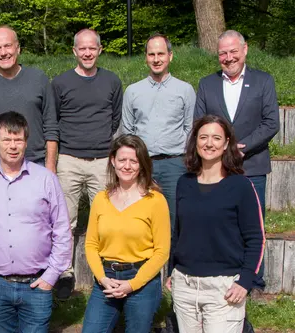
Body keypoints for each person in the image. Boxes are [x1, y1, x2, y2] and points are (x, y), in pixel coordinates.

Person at [0, 111, 72, 332]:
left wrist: (51, 275)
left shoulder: (46, 179)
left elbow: (62, 230)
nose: (12, 146)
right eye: (6, 139)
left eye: (18, 139)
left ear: (25, 142)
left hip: (37, 284)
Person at [194, 30, 279, 296]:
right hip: (216, 169)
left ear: (245, 50)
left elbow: (271, 123)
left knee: (253, 225)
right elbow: (199, 123)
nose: (228, 58)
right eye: (223, 53)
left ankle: (254, 281)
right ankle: (223, 274)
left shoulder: (263, 81)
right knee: (221, 223)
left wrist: (241, 148)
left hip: (251, 166)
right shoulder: (206, 84)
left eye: (233, 51)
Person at [166, 115, 264, 333]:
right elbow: (180, 231)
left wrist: (246, 281)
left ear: (226, 143)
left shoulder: (241, 186)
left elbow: (256, 238)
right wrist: (172, 269)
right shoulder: (184, 183)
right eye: (203, 137)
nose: (209, 143)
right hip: (185, 286)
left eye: (216, 138)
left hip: (224, 289)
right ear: (195, 141)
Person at [51, 29, 123, 300]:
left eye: (92, 48)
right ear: (74, 51)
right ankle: (64, 272)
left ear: (100, 50)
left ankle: (103, 271)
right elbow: (53, 120)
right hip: (69, 159)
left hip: (102, 160)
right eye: (82, 48)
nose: (87, 53)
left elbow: (115, 119)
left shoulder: (112, 81)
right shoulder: (60, 83)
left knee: (106, 220)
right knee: (65, 221)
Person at [83, 134, 170, 333]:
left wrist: (132, 284)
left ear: (142, 164)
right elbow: (91, 245)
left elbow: (162, 251)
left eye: (134, 160)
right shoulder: (100, 199)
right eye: (122, 160)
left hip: (141, 280)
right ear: (113, 161)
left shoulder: (155, 200)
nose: (127, 166)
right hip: (106, 278)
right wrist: (102, 278)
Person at [121, 33, 195, 231]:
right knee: (140, 219)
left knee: (174, 220)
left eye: (161, 54)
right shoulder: (132, 91)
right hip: (143, 164)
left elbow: (190, 129)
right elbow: (128, 131)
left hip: (175, 165)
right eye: (151, 54)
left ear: (170, 56)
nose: (156, 59)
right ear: (145, 57)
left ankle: (174, 262)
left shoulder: (185, 90)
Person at [0, 25, 58, 175]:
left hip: (35, 163)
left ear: (18, 48)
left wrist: (50, 165)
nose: (3, 53)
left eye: (8, 46)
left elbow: (51, 124)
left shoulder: (39, 79)